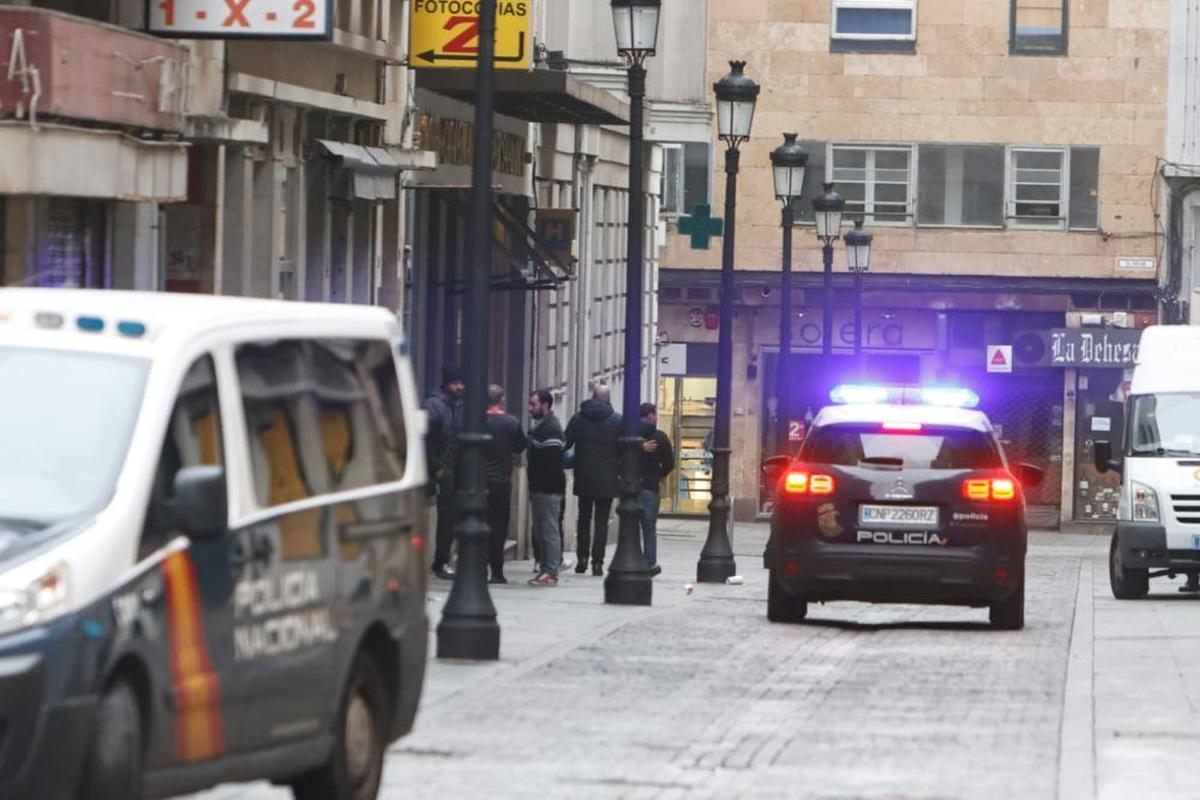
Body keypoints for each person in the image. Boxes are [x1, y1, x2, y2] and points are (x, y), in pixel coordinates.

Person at [565, 384, 622, 576]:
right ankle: (598, 562)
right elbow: (623, 450)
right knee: (601, 522)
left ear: (592, 396)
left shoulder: (578, 418)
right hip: (607, 477)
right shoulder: (617, 420)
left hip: (584, 475)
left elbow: (566, 443)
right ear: (608, 398)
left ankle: (582, 559)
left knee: (583, 519)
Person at [425, 365, 465, 580]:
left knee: (453, 517)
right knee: (446, 518)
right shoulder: (435, 406)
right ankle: (441, 560)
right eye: (455, 383)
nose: (460, 387)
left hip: (455, 468)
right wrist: (437, 469)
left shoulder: (457, 406)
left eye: (461, 383)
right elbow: (427, 440)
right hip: (442, 469)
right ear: (446, 384)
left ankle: (446, 558)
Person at [484, 385, 525, 584]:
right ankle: (497, 571)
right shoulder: (511, 422)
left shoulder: (478, 422)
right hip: (501, 480)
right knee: (499, 527)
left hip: (480, 480)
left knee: (480, 524)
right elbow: (520, 446)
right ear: (502, 399)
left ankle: (479, 566)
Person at [527, 389, 565, 586]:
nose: (530, 408)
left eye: (533, 404)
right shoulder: (542, 426)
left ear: (545, 405)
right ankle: (546, 569)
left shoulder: (550, 428)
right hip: (541, 487)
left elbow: (552, 462)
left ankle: (550, 571)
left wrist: (545, 487)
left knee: (549, 531)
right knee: (541, 531)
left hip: (547, 489)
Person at [639, 402, 675, 577]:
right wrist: (658, 475)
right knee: (649, 527)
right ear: (650, 415)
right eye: (656, 414)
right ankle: (649, 562)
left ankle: (634, 559)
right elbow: (670, 463)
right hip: (650, 487)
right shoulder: (659, 437)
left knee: (631, 526)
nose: (657, 417)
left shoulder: (631, 435)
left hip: (632, 485)